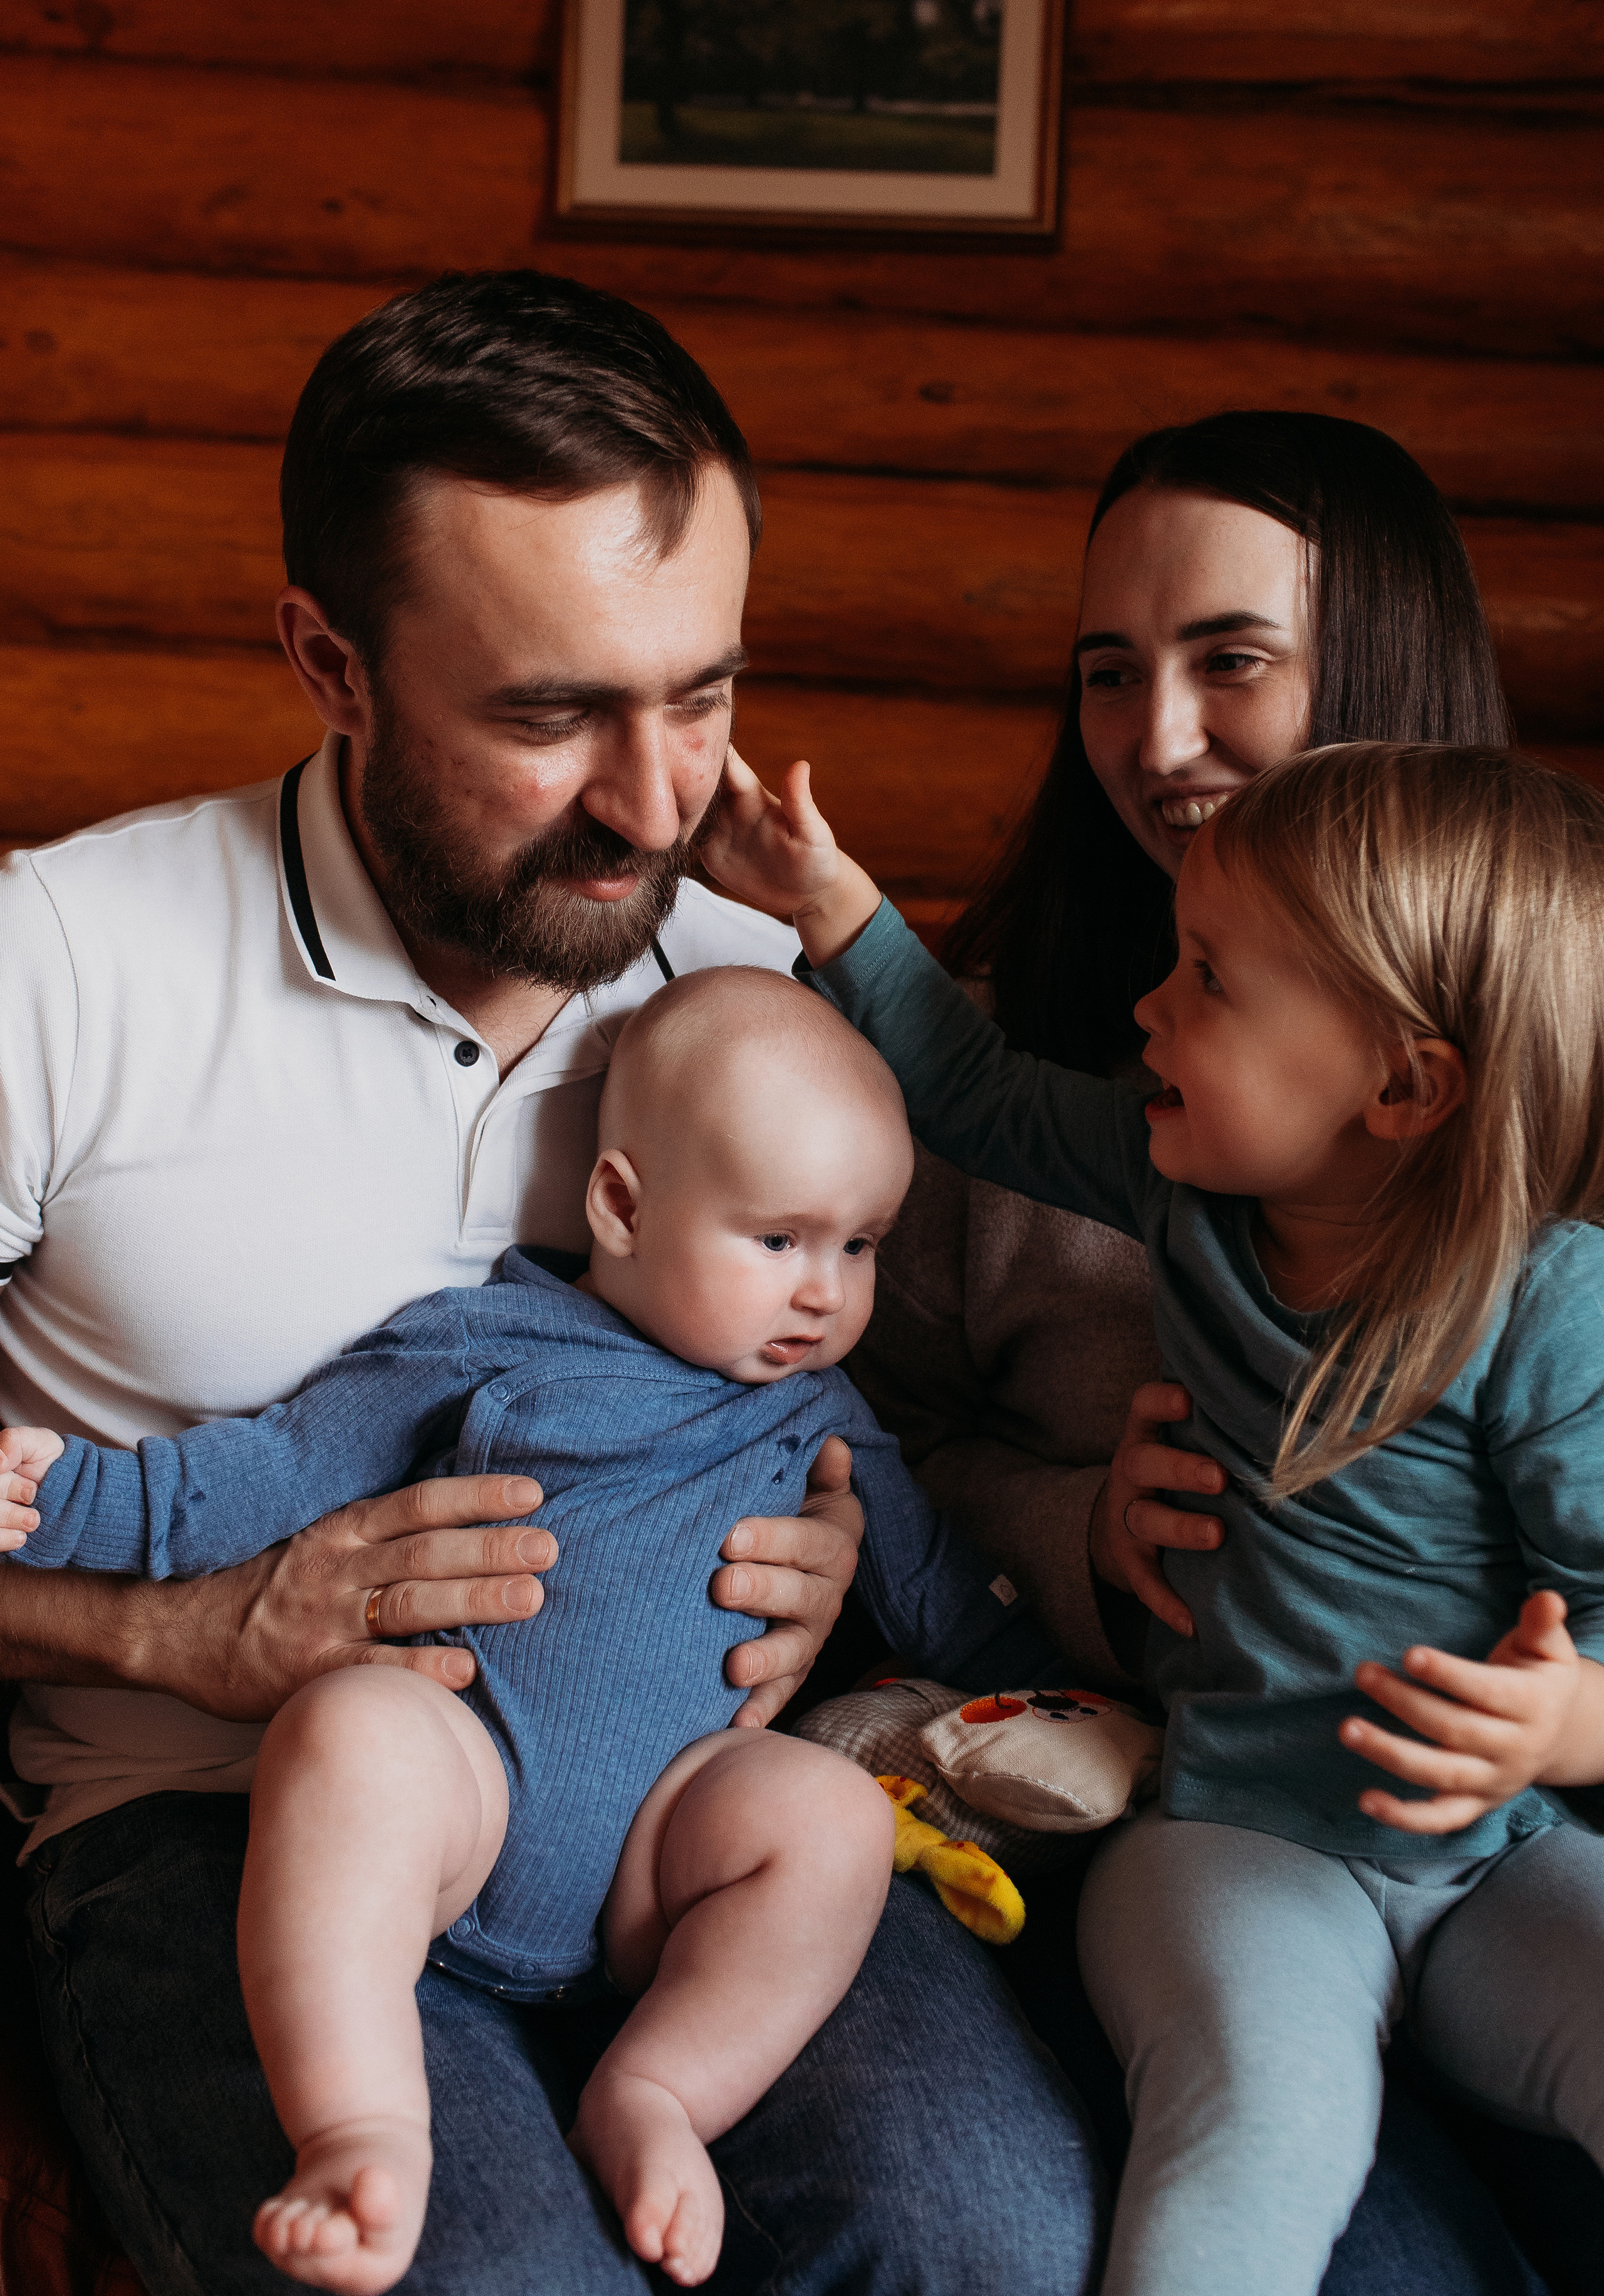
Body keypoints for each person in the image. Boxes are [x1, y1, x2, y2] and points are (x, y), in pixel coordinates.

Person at [0, 271, 1101, 2296]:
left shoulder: (756, 993)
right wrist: (176, 1635)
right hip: (223, 1830)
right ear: (331, 664)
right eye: (550, 712)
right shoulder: (60, 970)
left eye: (701, 693)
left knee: (992, 2241)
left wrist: (836, 1587)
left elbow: (867, 1426)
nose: (658, 799)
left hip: (674, 1826)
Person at [705, 735, 1604, 2296]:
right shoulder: (1177, 1191)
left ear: (1400, 1083)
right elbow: (970, 1091)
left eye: (1206, 980)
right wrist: (831, 899)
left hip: (1496, 1860)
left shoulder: (1545, 1312)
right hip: (1242, 1844)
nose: (1148, 1010)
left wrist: (1565, 1723)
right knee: (1256, 2128)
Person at [4, 968, 1062, 2292]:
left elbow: (942, 1593)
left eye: (860, 1247)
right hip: (472, 1799)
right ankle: (360, 2124)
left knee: (828, 1817)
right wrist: (54, 1499)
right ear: (620, 1204)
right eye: (779, 1241)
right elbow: (252, 1478)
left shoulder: (822, 1415)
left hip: (663, 1856)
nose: (824, 1295)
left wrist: (1082, 1697)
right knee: (354, 1731)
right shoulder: (488, 1344)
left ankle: (661, 2087)